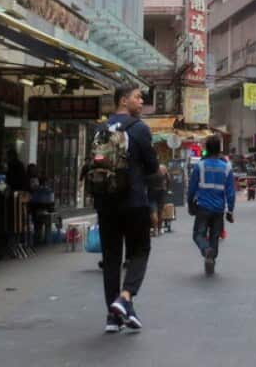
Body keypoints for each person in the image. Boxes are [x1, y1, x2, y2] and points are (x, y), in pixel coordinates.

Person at [93, 85, 158, 334]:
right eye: (138, 97)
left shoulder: (100, 128)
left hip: (106, 202)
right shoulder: (139, 128)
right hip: (134, 201)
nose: (141, 102)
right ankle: (126, 296)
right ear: (123, 100)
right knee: (140, 250)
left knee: (111, 258)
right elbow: (152, 166)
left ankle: (114, 317)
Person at [187, 136, 236, 276]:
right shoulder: (226, 167)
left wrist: (190, 203)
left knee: (198, 234)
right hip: (218, 209)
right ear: (219, 149)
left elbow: (192, 187)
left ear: (207, 149)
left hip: (203, 207)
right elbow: (231, 192)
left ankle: (206, 250)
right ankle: (211, 260)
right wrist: (230, 210)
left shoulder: (200, 166)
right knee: (214, 237)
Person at [148, 164, 168, 237]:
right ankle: (160, 229)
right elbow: (168, 181)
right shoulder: (162, 173)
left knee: (153, 211)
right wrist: (166, 189)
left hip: (152, 192)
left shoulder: (150, 173)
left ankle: (155, 230)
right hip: (161, 193)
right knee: (161, 211)